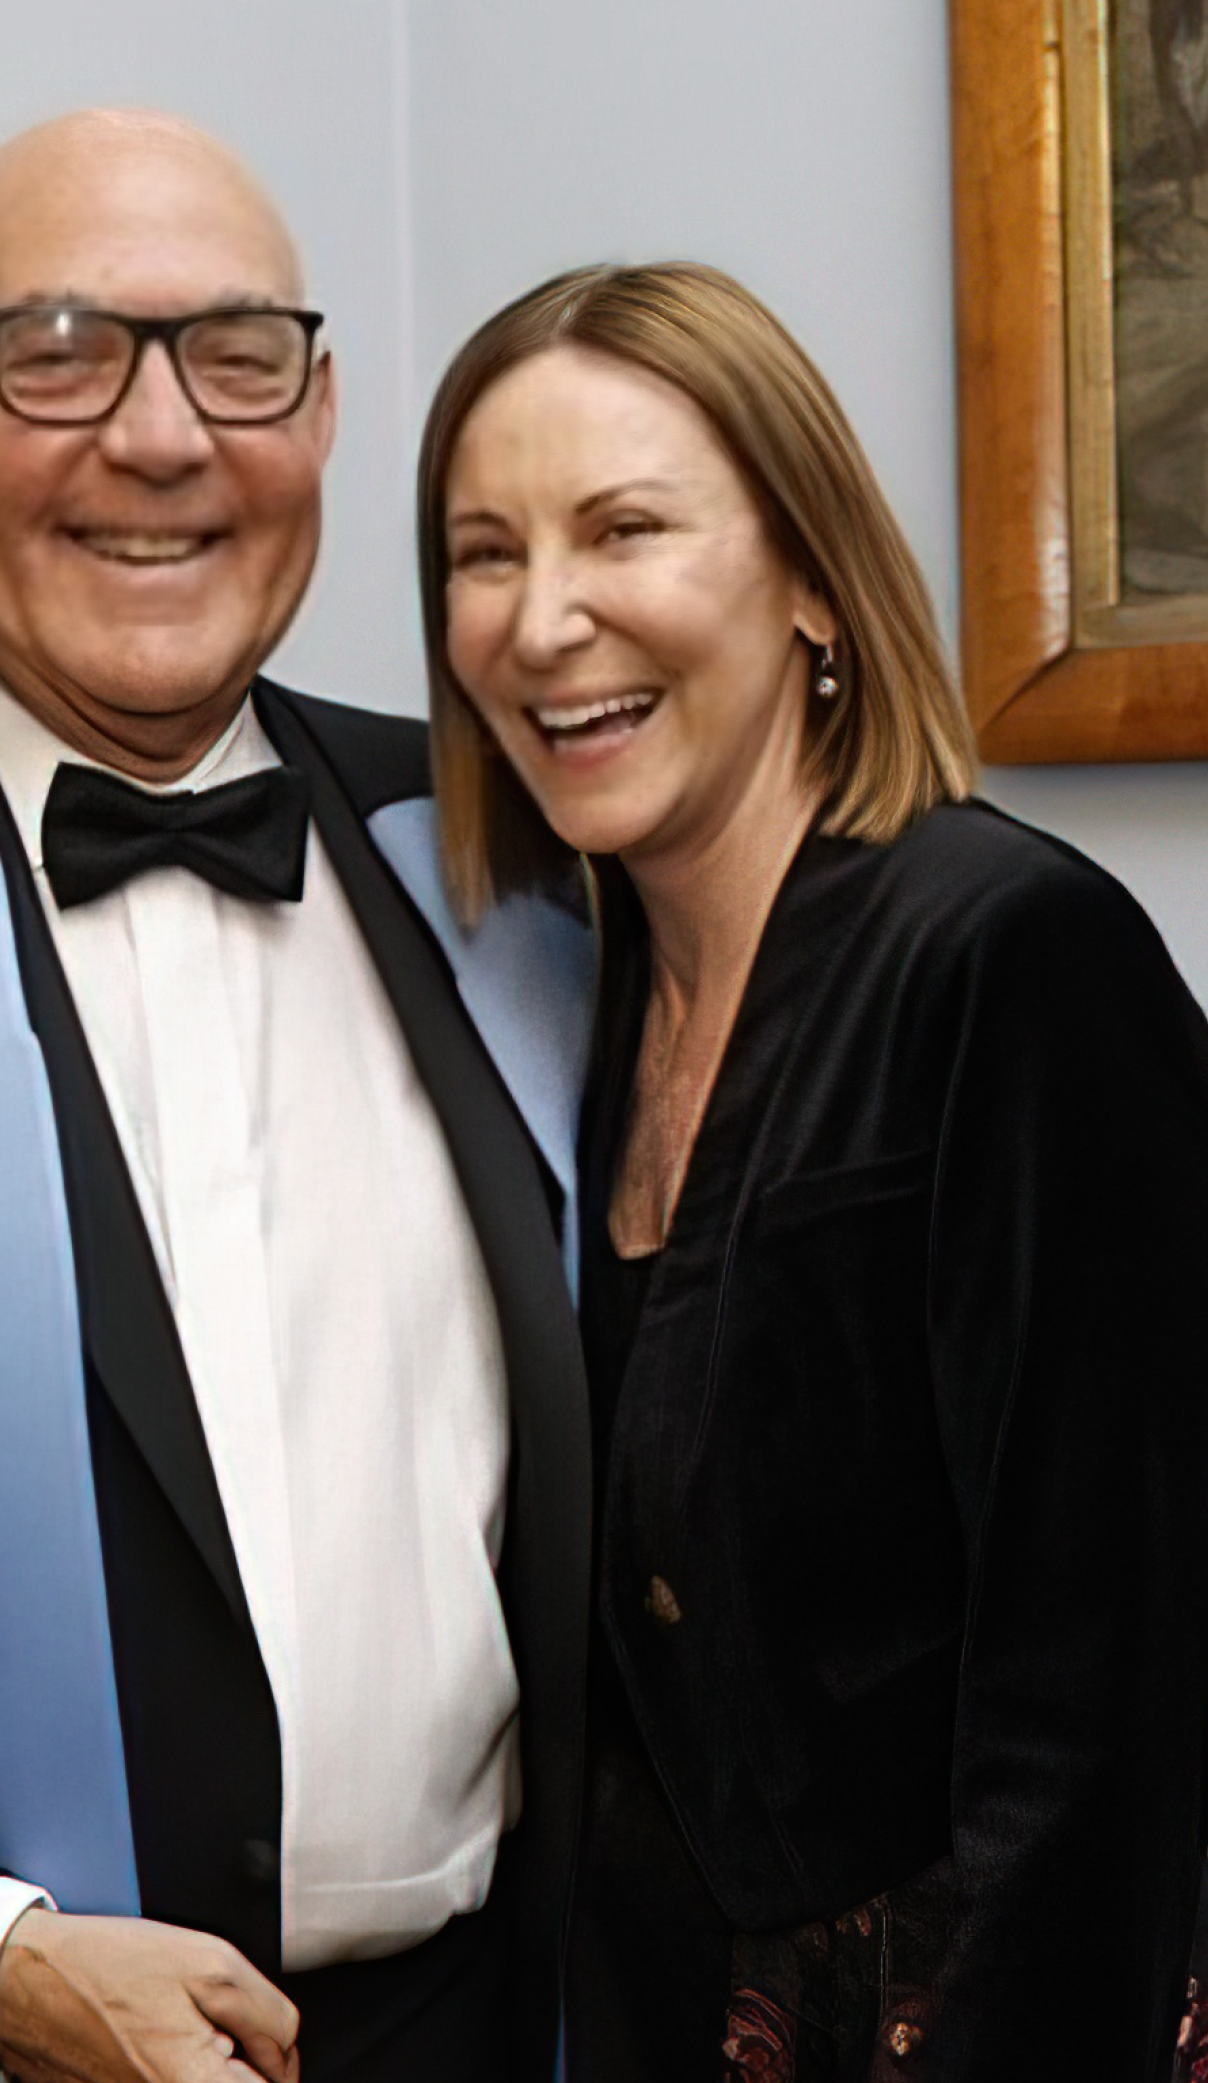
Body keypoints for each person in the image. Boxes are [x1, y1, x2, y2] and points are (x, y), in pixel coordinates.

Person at [0, 111, 594, 2083]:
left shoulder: (516, 864)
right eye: (58, 349)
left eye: (237, 355)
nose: (162, 438)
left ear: (322, 412)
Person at [416, 259, 1208, 2080]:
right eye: (481, 553)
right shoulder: (571, 1004)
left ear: (809, 582)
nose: (543, 623)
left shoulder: (1005, 957)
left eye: (624, 529)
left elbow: (1103, 1705)